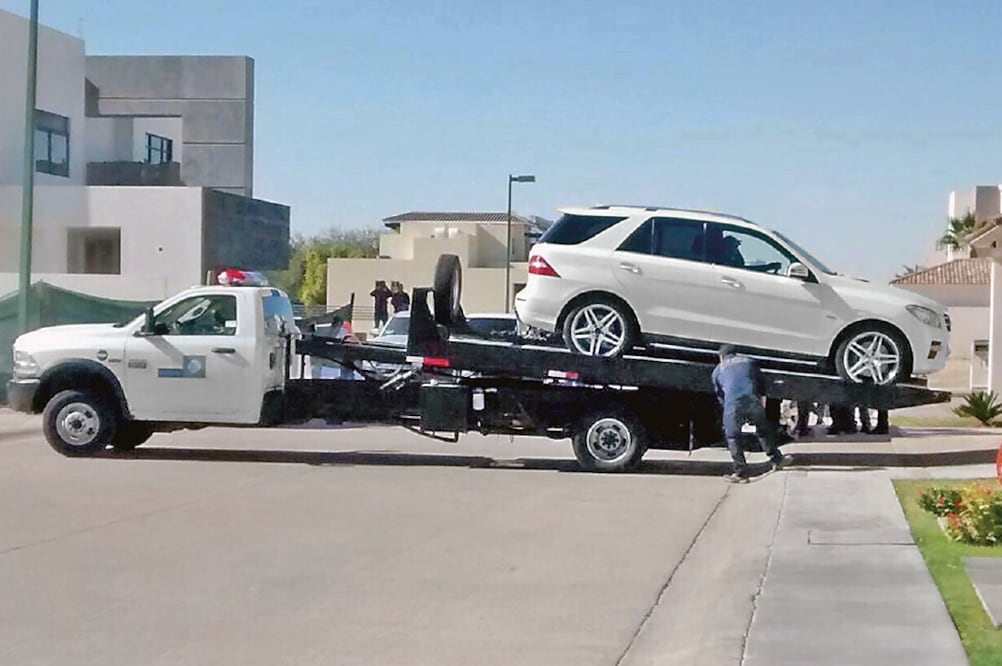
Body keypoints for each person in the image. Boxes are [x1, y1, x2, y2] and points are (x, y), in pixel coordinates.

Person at [712, 345, 792, 482]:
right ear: (735, 353)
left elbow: (719, 394)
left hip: (733, 404)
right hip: (752, 399)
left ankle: (741, 473)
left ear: (721, 356)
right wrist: (759, 398)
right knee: (763, 431)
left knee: (733, 437)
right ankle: (777, 459)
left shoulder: (718, 370)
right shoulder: (748, 361)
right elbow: (760, 382)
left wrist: (726, 408)